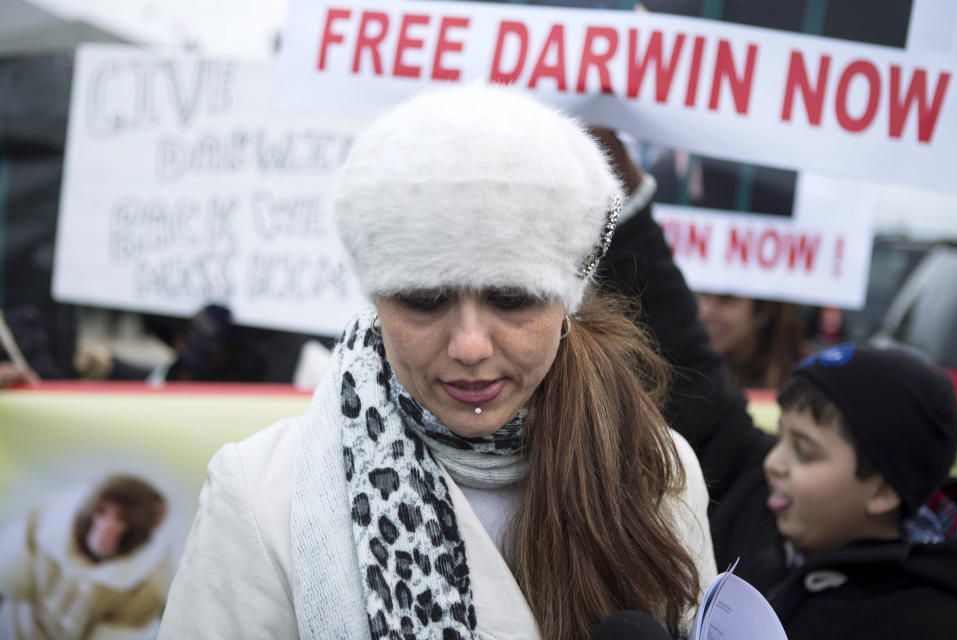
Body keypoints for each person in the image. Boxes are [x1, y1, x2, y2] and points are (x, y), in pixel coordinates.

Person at [157, 85, 716, 640]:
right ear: (376, 298)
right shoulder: (260, 495)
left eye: (512, 297)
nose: (470, 346)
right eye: (424, 301)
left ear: (567, 299)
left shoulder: (658, 473)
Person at [600, 156, 957, 639]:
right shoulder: (753, 492)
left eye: (805, 451)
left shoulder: (926, 620)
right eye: (782, 437)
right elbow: (684, 354)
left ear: (882, 490)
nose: (775, 463)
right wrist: (626, 195)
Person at [0, 475, 174, 639]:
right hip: (14, 629)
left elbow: (119, 634)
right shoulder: (44, 525)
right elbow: (9, 582)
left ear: (147, 529)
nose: (105, 529)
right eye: (101, 512)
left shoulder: (149, 583)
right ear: (89, 507)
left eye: (122, 519)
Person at [695, 293, 806, 389]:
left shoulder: (801, 382)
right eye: (703, 295)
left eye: (727, 299)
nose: (705, 312)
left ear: (763, 310)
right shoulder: (689, 374)